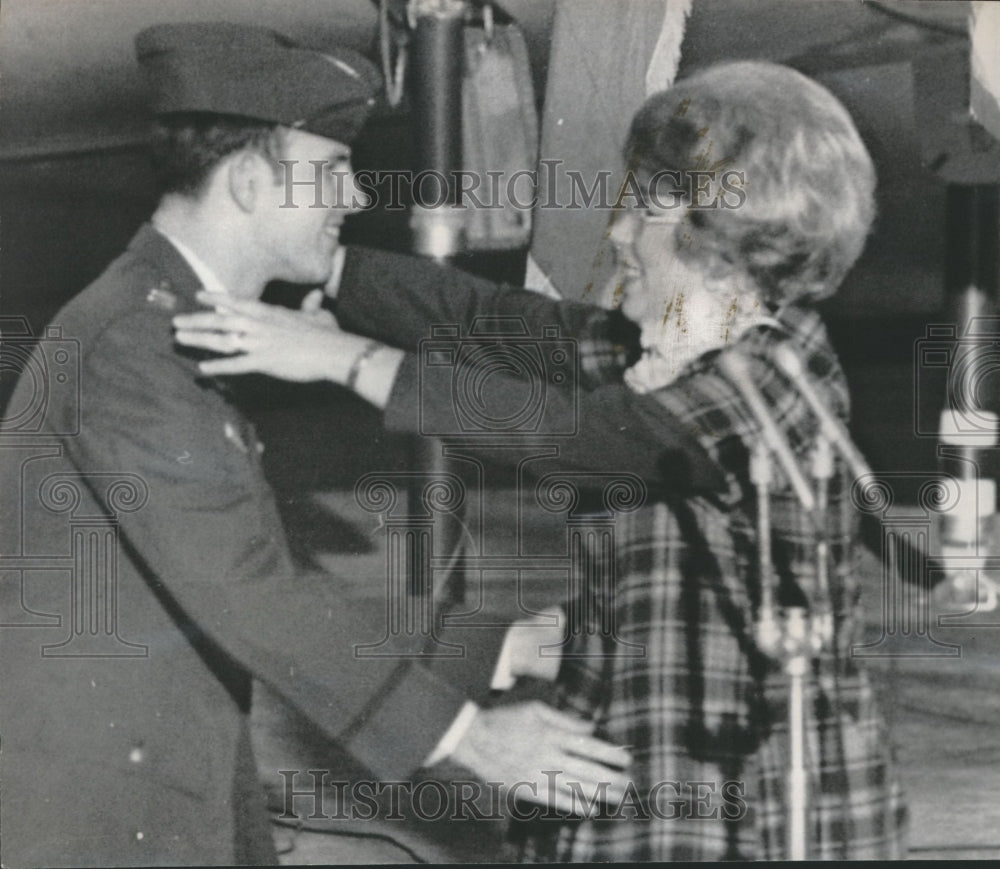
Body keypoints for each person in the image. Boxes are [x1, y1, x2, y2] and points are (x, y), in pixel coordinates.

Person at [174, 61, 908, 860]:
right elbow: (486, 320)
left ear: (720, 242)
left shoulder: (767, 383)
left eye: (642, 211)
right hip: (637, 776)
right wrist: (326, 265)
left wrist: (343, 359)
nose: (618, 233)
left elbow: (577, 438)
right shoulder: (654, 350)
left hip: (757, 809)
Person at [0, 22, 634, 868]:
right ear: (253, 181)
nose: (357, 195)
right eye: (333, 171)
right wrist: (472, 738)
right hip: (99, 820)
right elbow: (252, 593)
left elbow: (239, 571)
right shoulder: (130, 347)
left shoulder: (172, 324)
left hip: (156, 791)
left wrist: (490, 645)